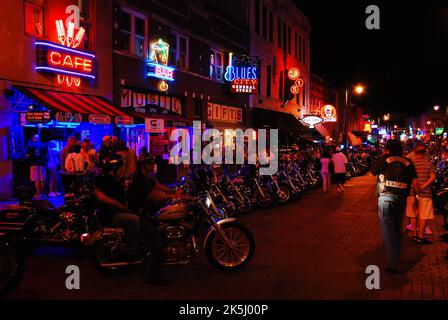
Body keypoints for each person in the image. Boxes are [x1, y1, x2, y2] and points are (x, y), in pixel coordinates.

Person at [370, 139, 421, 273]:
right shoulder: (408, 163)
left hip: (385, 198)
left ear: (387, 149)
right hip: (401, 199)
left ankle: (392, 262)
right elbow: (416, 183)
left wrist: (382, 157)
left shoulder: (383, 160)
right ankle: (396, 256)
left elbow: (371, 172)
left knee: (387, 230)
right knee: (397, 229)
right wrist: (418, 198)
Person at [405, 142, 436, 244]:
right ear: (425, 152)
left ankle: (414, 234)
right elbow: (432, 177)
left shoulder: (411, 164)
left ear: (415, 151)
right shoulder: (428, 163)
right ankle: (421, 236)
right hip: (425, 193)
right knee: (423, 215)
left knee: (413, 214)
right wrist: (423, 186)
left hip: (411, 192)